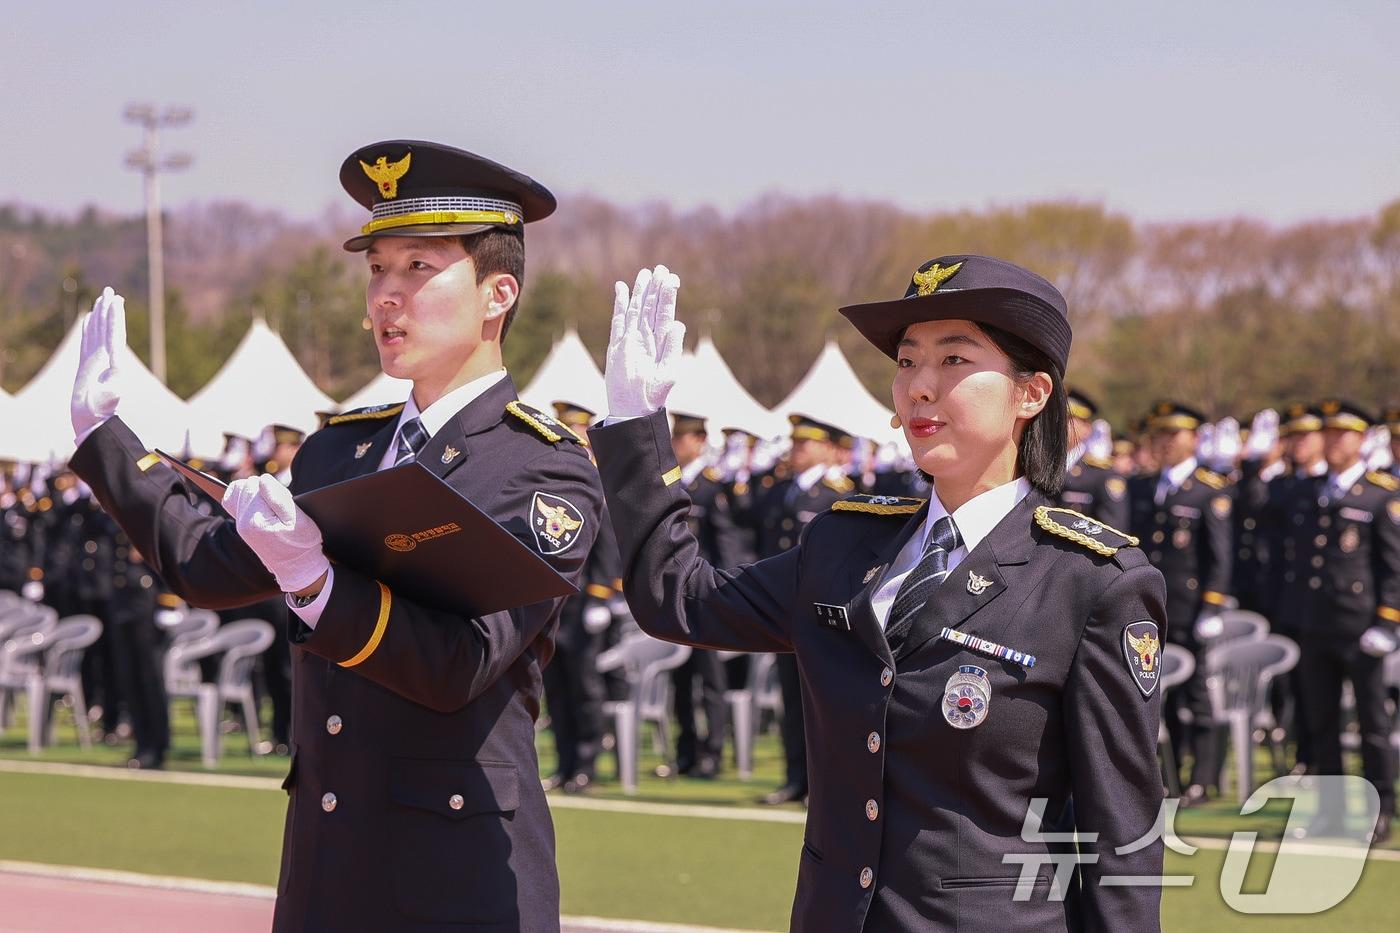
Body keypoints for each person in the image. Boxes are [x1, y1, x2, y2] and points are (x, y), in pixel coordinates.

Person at [66, 140, 603, 932]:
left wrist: (318, 586)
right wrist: (107, 439)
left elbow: (461, 664)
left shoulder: (540, 468)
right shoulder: (340, 447)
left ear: (498, 293)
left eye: (419, 269)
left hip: (459, 879)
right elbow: (203, 566)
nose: (385, 297)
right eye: (377, 268)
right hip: (326, 867)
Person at [591, 257, 1167, 932]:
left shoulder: (1091, 579)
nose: (920, 386)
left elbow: (1121, 837)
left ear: (1032, 392)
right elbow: (678, 599)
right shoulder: (842, 546)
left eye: (954, 359)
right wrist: (635, 428)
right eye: (906, 361)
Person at [1275, 400, 1399, 843]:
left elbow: (1393, 565)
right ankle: (1330, 812)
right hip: (1315, 624)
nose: (1332, 442)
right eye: (1327, 433)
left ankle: (1380, 808)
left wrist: (1388, 621)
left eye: (1342, 434)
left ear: (1363, 440)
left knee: (1372, 723)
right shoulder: (1312, 491)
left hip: (1360, 628)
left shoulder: (1381, 494)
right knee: (1320, 722)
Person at [1127, 400, 1233, 804]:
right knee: (1154, 691)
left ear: (1194, 438)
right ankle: (1167, 775)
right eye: (1160, 435)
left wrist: (1213, 606)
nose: (1166, 442)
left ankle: (1204, 778)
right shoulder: (1144, 485)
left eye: (1175, 434)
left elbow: (1219, 557)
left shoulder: (1208, 491)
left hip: (1189, 608)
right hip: (1150, 608)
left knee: (1198, 696)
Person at [752, 412, 852, 805]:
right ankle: (795, 779)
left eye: (805, 444)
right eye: (794, 444)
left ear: (827, 449)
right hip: (788, 612)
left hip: (823, 614)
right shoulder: (782, 491)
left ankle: (825, 786)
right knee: (792, 702)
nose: (797, 451)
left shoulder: (838, 493)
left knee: (826, 704)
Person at [541, 400, 619, 793]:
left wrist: (601, 598)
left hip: (585, 603)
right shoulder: (550, 484)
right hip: (553, 608)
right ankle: (564, 762)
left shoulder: (597, 487)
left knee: (585, 688)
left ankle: (586, 764)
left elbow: (607, 550)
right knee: (556, 690)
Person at [667, 410, 745, 777]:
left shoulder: (712, 487)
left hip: (704, 592)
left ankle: (712, 752)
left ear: (699, 441)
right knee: (679, 680)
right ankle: (686, 750)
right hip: (675, 594)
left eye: (681, 438)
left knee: (710, 679)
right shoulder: (671, 483)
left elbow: (726, 541)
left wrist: (726, 587)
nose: (675, 444)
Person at [1058, 388, 1128, 531]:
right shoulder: (1037, 465)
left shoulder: (1101, 474)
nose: (1058, 423)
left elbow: (1112, 532)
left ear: (1087, 428)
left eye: (1068, 418)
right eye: (1054, 416)